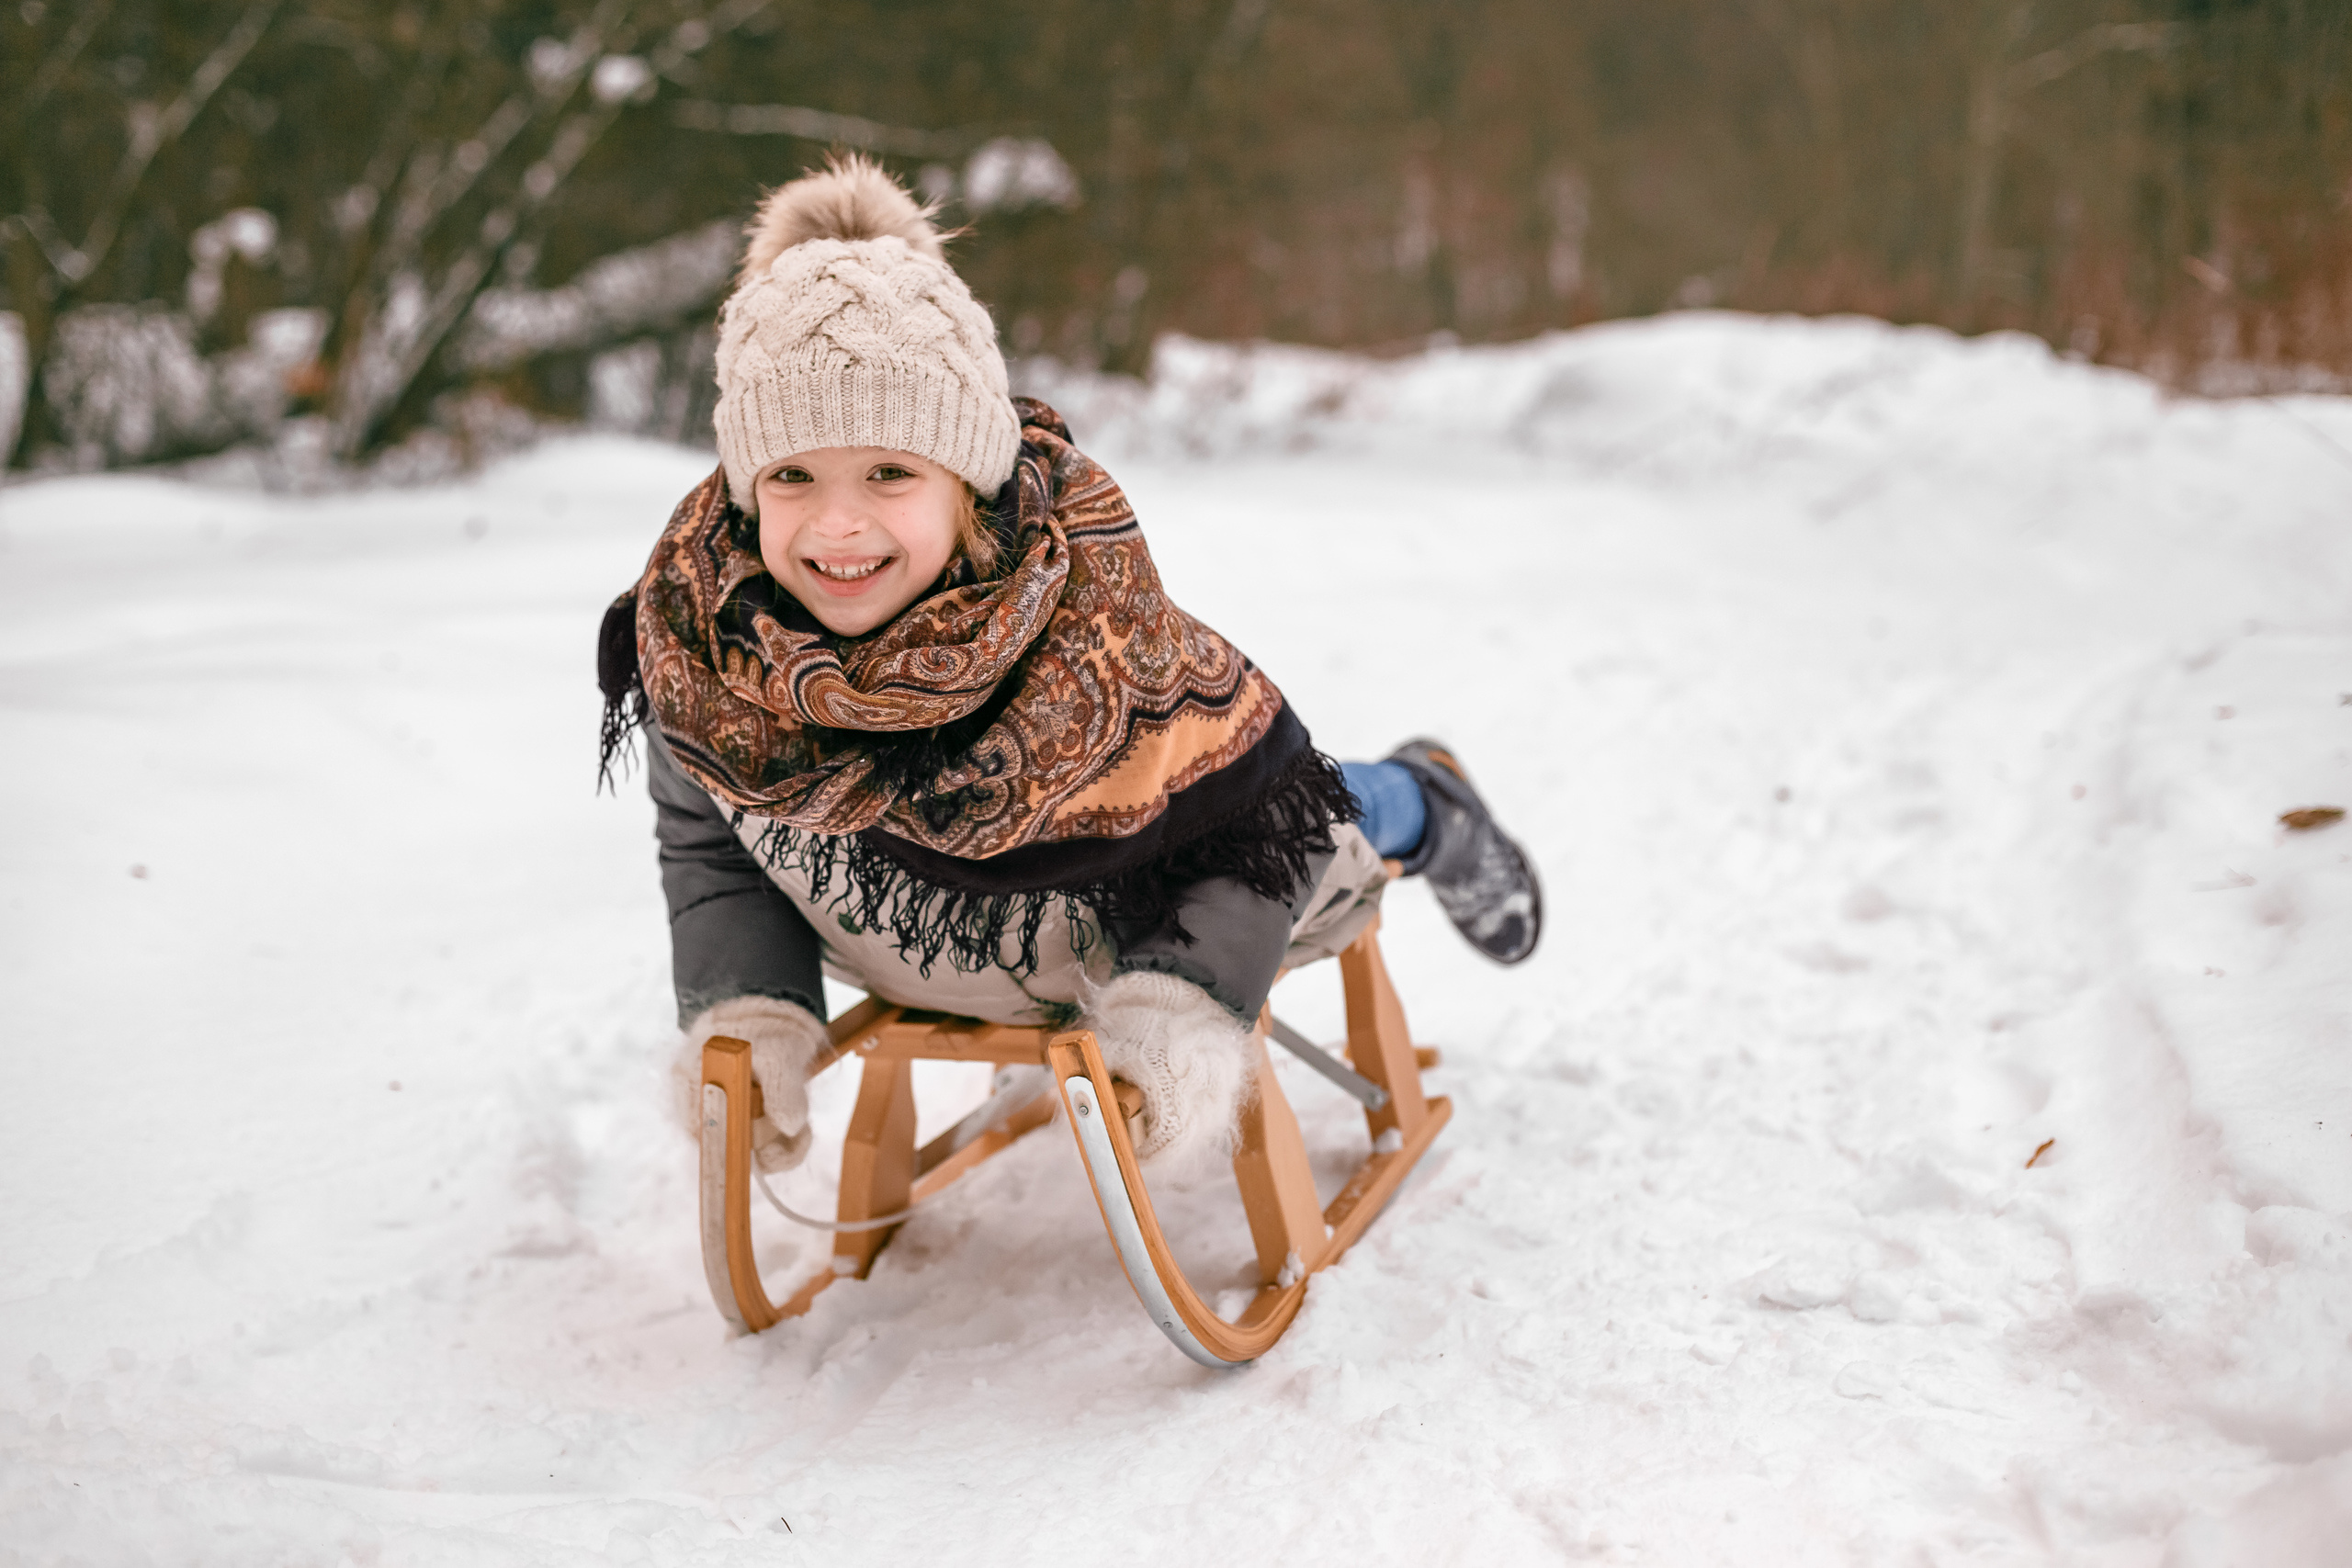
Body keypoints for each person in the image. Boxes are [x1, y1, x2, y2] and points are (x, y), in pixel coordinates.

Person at [597, 156, 1540, 1179]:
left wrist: (1175, 1001)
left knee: (1311, 800)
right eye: (791, 475)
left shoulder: (1091, 630)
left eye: (889, 473)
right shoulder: (706, 655)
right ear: (744, 492)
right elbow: (718, 848)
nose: (837, 524)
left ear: (968, 479)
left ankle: (1427, 802)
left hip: (1190, 879)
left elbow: (1254, 819)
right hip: (961, 943)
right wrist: (753, 1013)